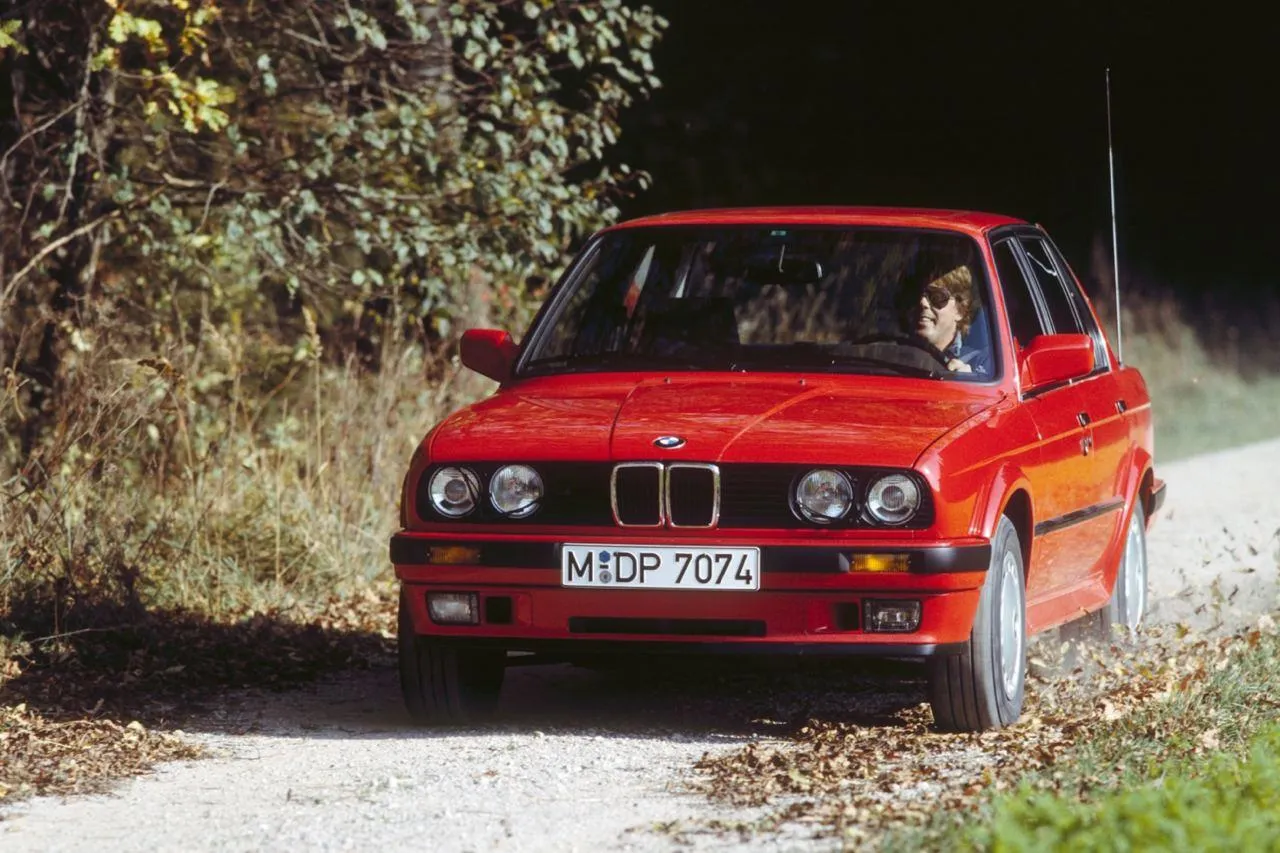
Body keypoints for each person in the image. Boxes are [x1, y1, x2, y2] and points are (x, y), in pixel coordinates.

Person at [904, 264, 990, 375]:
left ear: (960, 310)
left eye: (937, 296)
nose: (922, 303)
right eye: (916, 295)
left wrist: (968, 383)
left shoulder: (984, 364)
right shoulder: (884, 354)